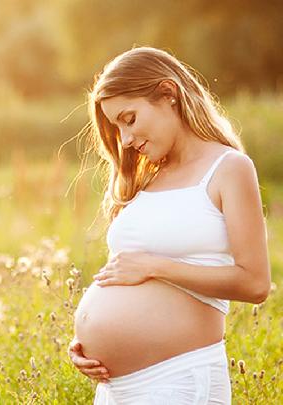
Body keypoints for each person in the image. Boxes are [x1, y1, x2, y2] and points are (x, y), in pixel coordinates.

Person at [67, 46, 271, 404]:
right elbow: (125, 271)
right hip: (115, 390)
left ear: (168, 93)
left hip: (177, 380)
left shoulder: (229, 168)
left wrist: (154, 267)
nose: (126, 139)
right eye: (117, 127)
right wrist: (86, 343)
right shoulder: (147, 179)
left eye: (129, 119)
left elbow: (255, 283)